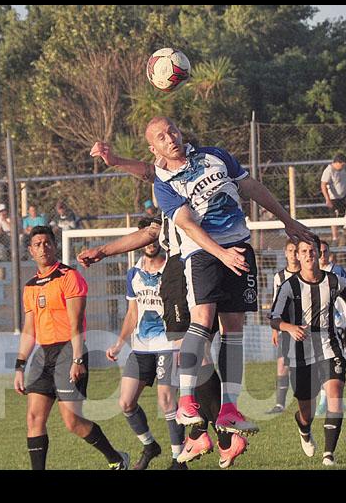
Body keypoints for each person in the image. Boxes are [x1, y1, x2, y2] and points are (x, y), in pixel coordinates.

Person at [91, 117, 317, 440]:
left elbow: (250, 186)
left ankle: (229, 410)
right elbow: (186, 224)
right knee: (201, 319)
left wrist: (287, 220)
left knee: (234, 328)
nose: (170, 137)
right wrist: (220, 254)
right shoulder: (163, 182)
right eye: (161, 137)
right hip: (201, 254)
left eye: (172, 130)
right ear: (153, 148)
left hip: (238, 246)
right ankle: (185, 402)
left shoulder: (215, 155)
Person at [80, 152, 249, 468]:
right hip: (203, 267)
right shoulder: (173, 202)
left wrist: (114, 159)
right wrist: (102, 251)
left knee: (193, 350)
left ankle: (211, 432)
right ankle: (216, 429)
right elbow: (145, 232)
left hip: (186, 272)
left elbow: (148, 173)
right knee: (202, 354)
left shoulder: (185, 191)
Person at [14, 225, 129, 470]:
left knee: (72, 421)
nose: (43, 248)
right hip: (43, 354)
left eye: (47, 243)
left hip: (69, 350)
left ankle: (116, 459)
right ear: (30, 251)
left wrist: (78, 359)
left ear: (54, 246)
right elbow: (28, 330)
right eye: (37, 245)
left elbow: (76, 323)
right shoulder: (30, 286)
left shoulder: (69, 277)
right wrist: (20, 365)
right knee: (34, 418)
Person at [270, 236, 346, 467]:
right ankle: (304, 429)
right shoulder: (289, 286)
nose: (308, 254)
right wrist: (289, 327)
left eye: (312, 250)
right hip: (300, 351)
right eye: (303, 251)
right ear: (297, 255)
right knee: (307, 410)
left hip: (330, 346)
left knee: (335, 394)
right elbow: (274, 318)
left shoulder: (334, 281)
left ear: (318, 253)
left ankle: (328, 454)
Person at [105, 220, 186, 470]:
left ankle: (178, 459)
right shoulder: (134, 273)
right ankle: (150, 445)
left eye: (154, 237)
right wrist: (119, 343)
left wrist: (182, 342)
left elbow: (182, 310)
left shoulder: (174, 269)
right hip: (140, 347)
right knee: (126, 403)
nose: (150, 243)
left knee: (166, 401)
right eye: (145, 238)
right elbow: (132, 313)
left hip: (167, 343)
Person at [318, 240, 346, 380]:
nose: (322, 254)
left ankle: (334, 374)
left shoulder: (338, 271)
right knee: (338, 343)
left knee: (338, 341)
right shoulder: (313, 272)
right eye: (320, 252)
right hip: (321, 313)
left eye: (325, 251)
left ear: (329, 253)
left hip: (339, 313)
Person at [265, 239, 300, 415]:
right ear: (285, 253)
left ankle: (311, 399)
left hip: (303, 326)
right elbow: (275, 303)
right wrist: (274, 329)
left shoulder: (306, 274)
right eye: (290, 250)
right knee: (282, 364)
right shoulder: (279, 277)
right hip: (286, 326)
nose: (293, 254)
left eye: (296, 251)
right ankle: (280, 404)